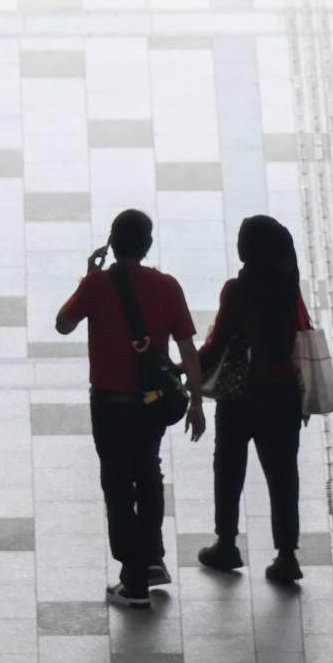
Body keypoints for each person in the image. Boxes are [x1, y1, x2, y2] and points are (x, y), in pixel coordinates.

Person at [55, 208, 205, 609]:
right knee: (148, 472)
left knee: (118, 483)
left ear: (112, 242)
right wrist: (197, 403)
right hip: (152, 402)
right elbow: (188, 349)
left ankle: (133, 580)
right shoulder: (168, 286)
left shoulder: (97, 285)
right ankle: (152, 559)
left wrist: (87, 278)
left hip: (109, 404)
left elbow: (63, 324)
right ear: (148, 244)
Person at [197, 215, 313, 586]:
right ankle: (287, 555)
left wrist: (187, 368)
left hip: (241, 396)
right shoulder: (289, 289)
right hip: (284, 396)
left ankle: (226, 544)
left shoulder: (238, 289)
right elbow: (303, 335)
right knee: (283, 477)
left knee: (229, 469)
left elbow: (217, 342)